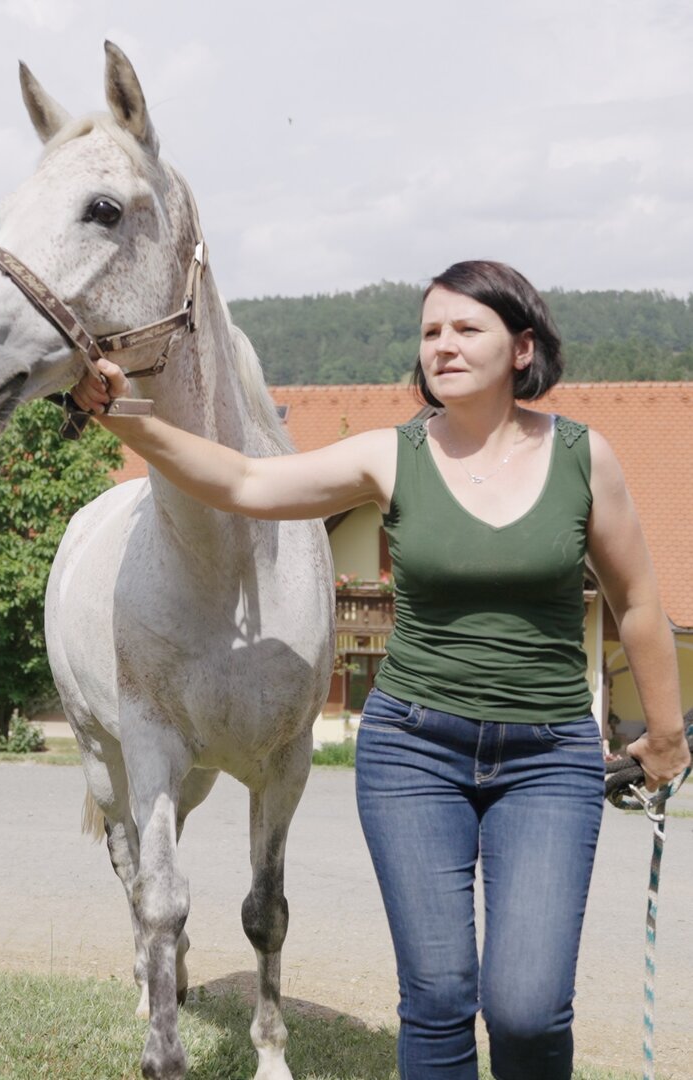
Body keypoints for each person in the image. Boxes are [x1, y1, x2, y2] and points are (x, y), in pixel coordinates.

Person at [70, 259, 690, 1080]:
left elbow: (639, 601)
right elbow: (245, 479)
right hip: (414, 752)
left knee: (528, 1010)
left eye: (467, 328)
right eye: (431, 331)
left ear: (522, 347)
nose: (444, 344)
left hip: (547, 758)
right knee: (436, 998)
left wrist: (667, 734)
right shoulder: (390, 457)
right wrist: (126, 417)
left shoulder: (585, 457)